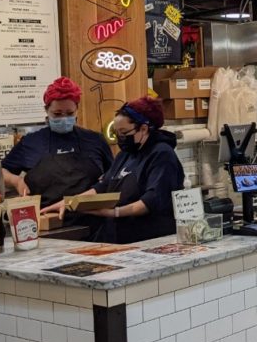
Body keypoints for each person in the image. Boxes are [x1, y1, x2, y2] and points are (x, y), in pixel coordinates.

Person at [43, 96, 185, 243]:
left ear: (143, 129)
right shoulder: (125, 154)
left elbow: (151, 201)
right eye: (116, 133)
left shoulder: (162, 154)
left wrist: (115, 212)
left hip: (148, 238)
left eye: (124, 133)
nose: (120, 139)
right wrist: (71, 202)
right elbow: (103, 186)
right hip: (120, 236)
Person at [1, 77, 113, 216]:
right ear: (47, 110)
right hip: (47, 219)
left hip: (94, 219)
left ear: (77, 109)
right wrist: (16, 181)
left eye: (70, 113)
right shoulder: (31, 142)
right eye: (57, 114)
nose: (64, 118)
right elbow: (1, 171)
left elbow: (112, 175)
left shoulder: (95, 140)